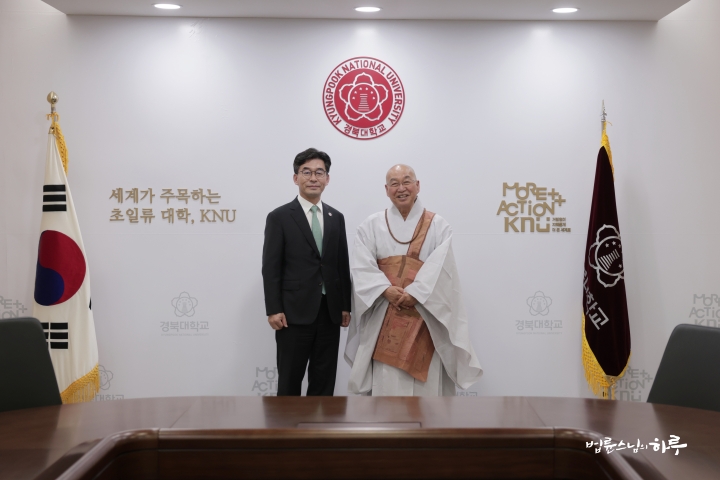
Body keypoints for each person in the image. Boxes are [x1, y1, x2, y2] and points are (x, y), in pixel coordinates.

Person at [345, 164, 482, 396]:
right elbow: (362, 266)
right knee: (387, 384)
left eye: (406, 181)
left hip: (425, 313)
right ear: (386, 190)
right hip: (384, 311)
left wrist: (416, 293)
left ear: (417, 186)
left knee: (425, 392)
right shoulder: (371, 225)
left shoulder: (438, 225)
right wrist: (385, 289)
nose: (401, 188)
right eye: (394, 183)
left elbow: (442, 268)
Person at [262, 148, 351, 396]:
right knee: (290, 381)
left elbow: (341, 264)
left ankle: (320, 423)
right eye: (306, 172)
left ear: (327, 179)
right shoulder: (279, 217)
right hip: (292, 314)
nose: (313, 178)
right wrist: (273, 309)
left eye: (319, 173)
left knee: (324, 382)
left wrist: (345, 305)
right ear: (296, 178)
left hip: (329, 312)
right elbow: (271, 267)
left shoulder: (336, 217)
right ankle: (286, 423)